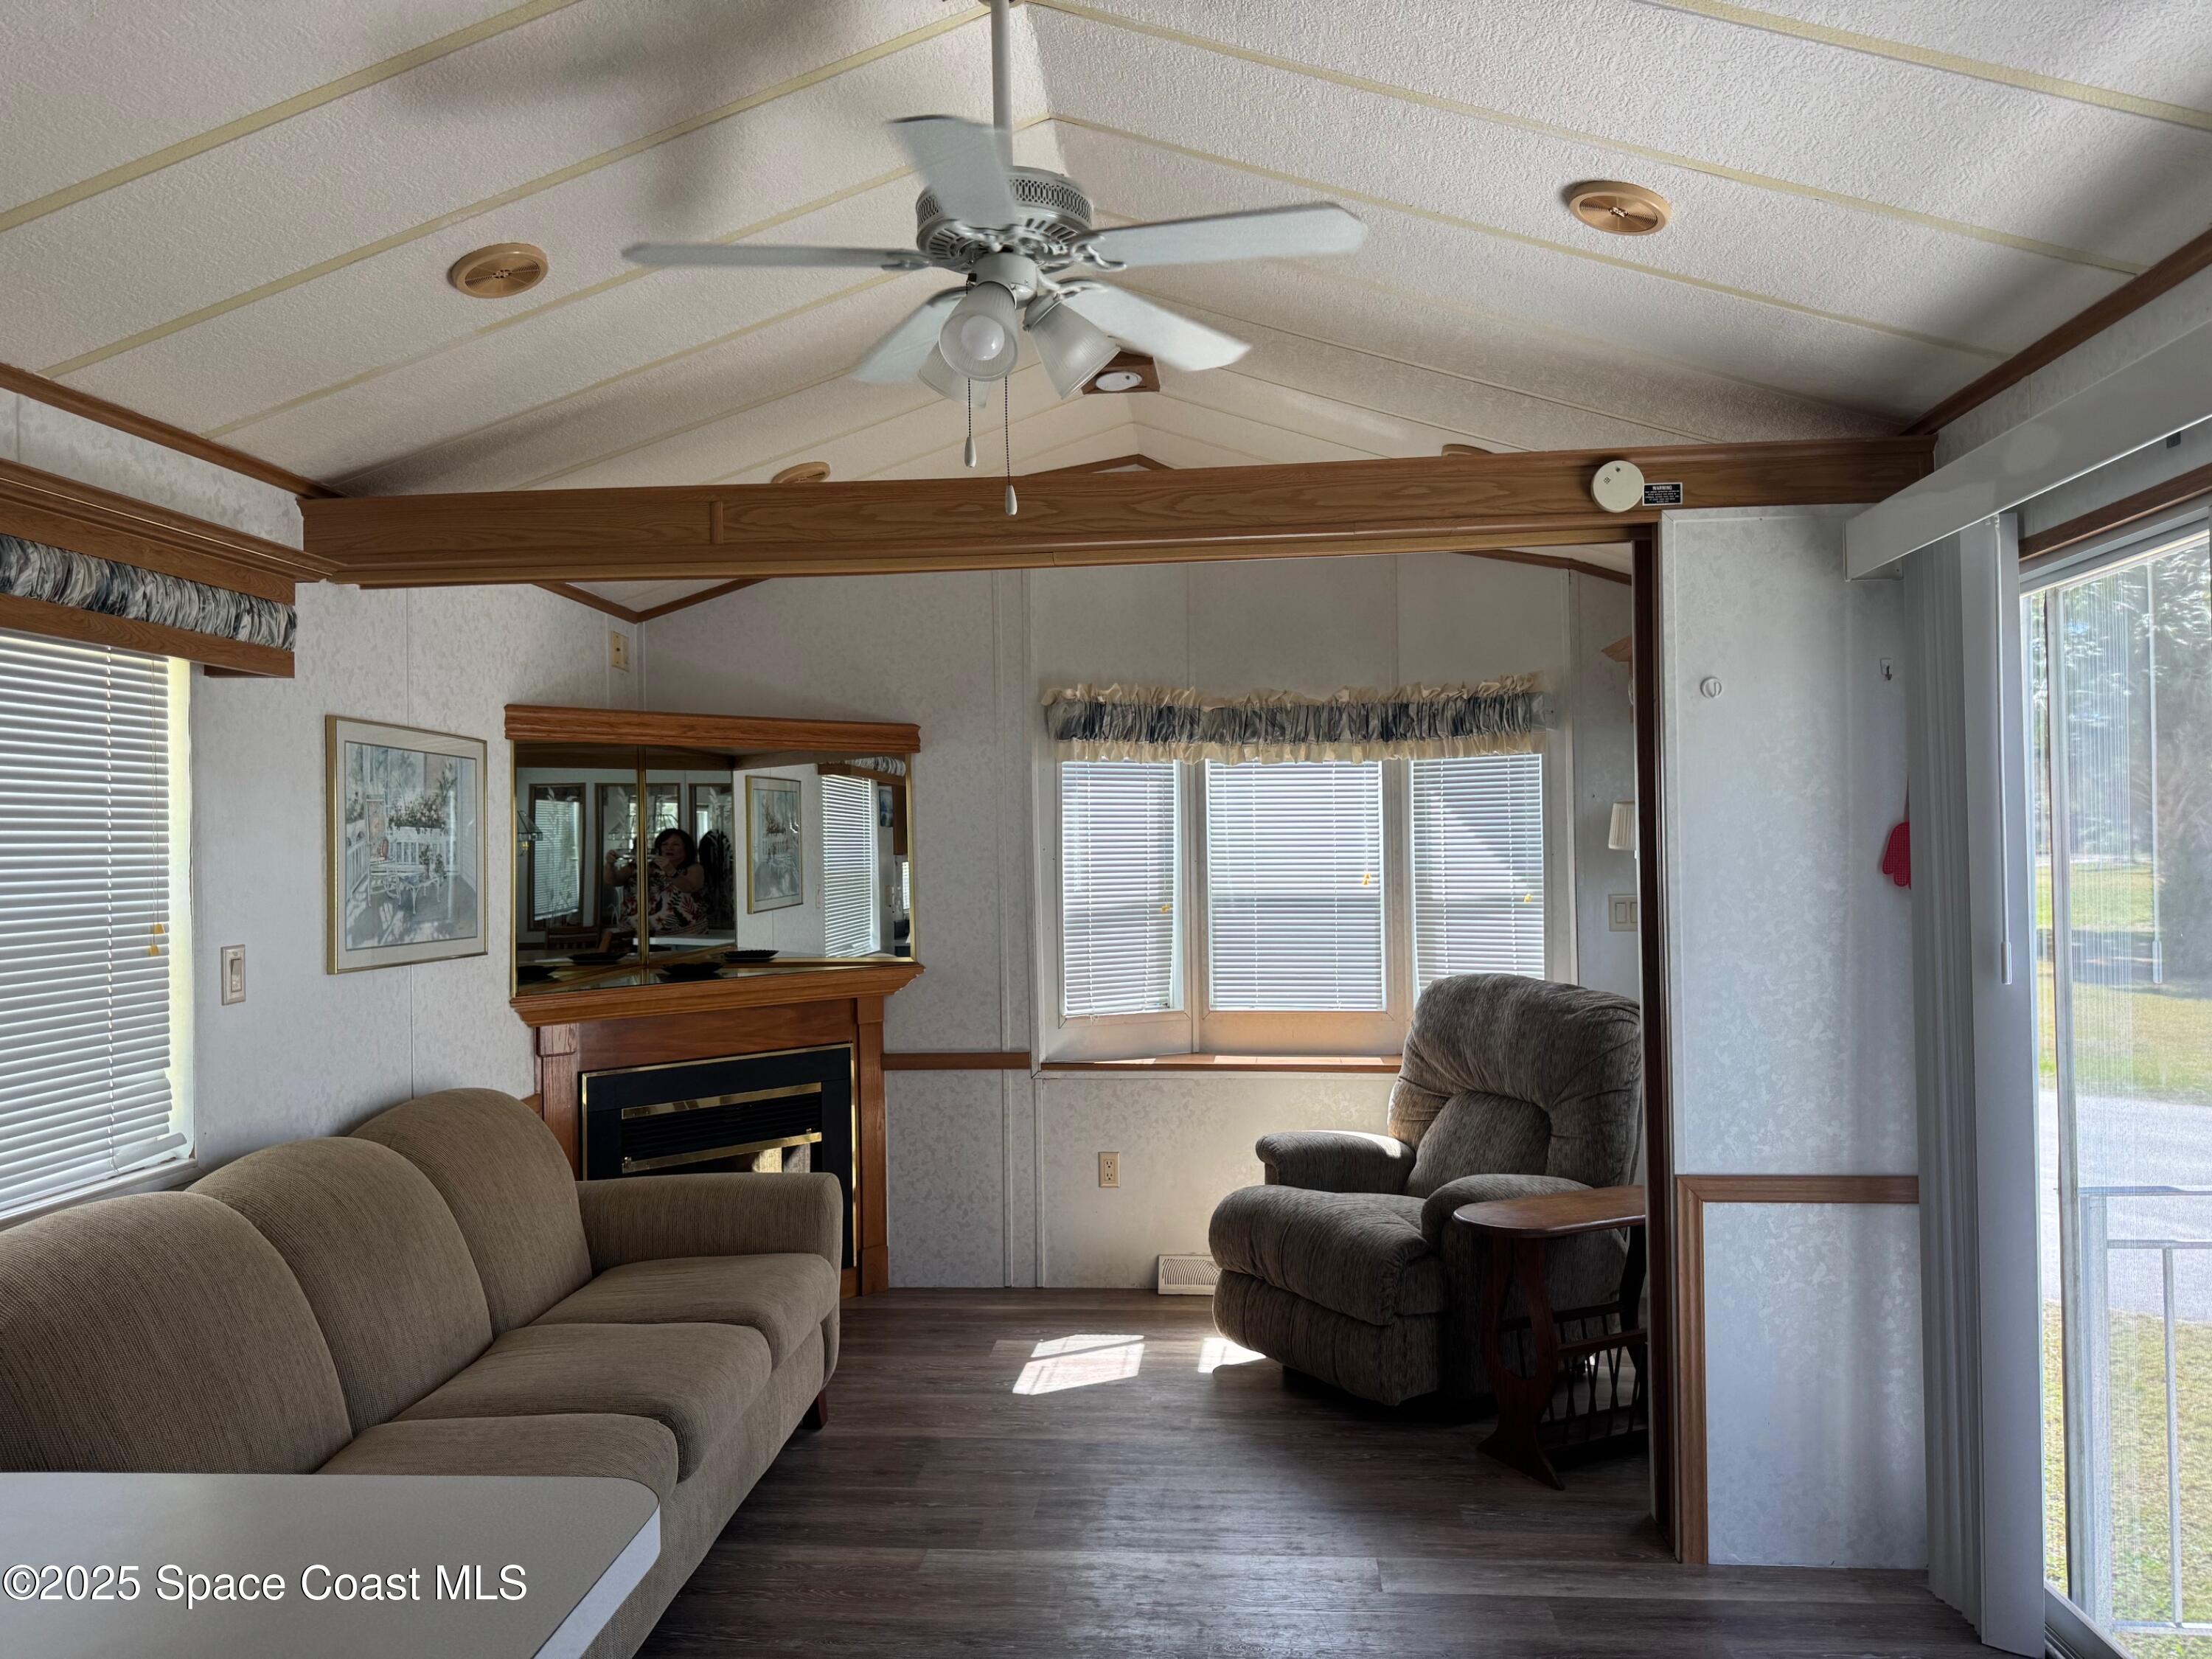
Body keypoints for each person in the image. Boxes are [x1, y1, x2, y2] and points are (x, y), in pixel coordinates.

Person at [605, 826, 708, 940]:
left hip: (683, 935)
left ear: (686, 848)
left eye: (676, 845)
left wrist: (671, 871)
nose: (669, 848)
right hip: (635, 934)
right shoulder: (638, 865)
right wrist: (610, 864)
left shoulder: (694, 868)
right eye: (665, 844)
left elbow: (691, 887)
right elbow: (613, 881)